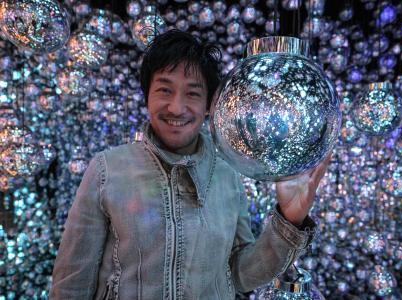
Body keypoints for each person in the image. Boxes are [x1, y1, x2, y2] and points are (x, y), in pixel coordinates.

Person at [49, 30, 330, 300]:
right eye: (164, 90)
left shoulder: (227, 173)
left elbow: (239, 275)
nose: (176, 107)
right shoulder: (107, 169)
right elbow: (73, 278)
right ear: (147, 96)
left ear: (210, 104)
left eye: (193, 93)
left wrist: (289, 221)